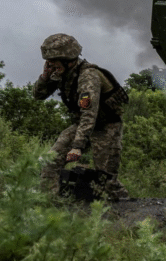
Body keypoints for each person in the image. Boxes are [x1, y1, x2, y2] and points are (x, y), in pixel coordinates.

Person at [33, 33, 129, 200]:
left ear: (67, 59)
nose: (49, 64)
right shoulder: (61, 72)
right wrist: (45, 77)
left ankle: (127, 210)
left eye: (53, 60)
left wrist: (77, 146)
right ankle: (48, 206)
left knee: (105, 180)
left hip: (106, 126)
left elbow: (89, 113)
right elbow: (38, 95)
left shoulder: (88, 77)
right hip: (82, 125)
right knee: (50, 162)